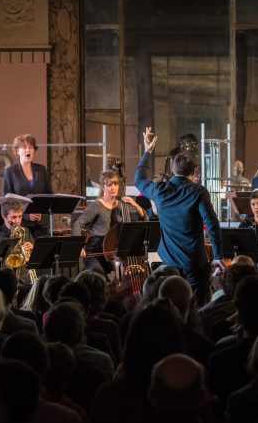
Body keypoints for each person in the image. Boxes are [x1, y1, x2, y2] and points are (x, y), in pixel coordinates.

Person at [135, 127, 225, 305]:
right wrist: (218, 255)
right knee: (198, 308)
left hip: (168, 264)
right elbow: (212, 224)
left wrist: (147, 151)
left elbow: (138, 180)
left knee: (170, 307)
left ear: (174, 170)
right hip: (194, 264)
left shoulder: (159, 190)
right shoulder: (198, 192)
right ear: (193, 172)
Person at [71, 170, 146, 274]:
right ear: (102, 187)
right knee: (98, 274)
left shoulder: (122, 206)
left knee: (129, 272)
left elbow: (143, 219)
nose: (113, 188)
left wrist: (135, 204)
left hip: (114, 253)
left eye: (115, 184)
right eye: (109, 185)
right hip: (96, 252)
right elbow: (77, 224)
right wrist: (78, 246)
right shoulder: (96, 206)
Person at [2, 134, 53, 237]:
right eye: (24, 148)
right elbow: (6, 200)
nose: (28, 150)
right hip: (21, 224)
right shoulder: (10, 172)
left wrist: (41, 215)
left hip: (41, 224)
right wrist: (25, 215)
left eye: (31, 147)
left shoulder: (41, 170)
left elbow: (49, 196)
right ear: (17, 151)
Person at [0, 198, 35, 289]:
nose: (17, 221)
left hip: (26, 279)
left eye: (20, 217)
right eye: (13, 217)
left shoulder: (25, 231)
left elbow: (35, 259)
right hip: (5, 282)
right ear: (4, 217)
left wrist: (33, 249)